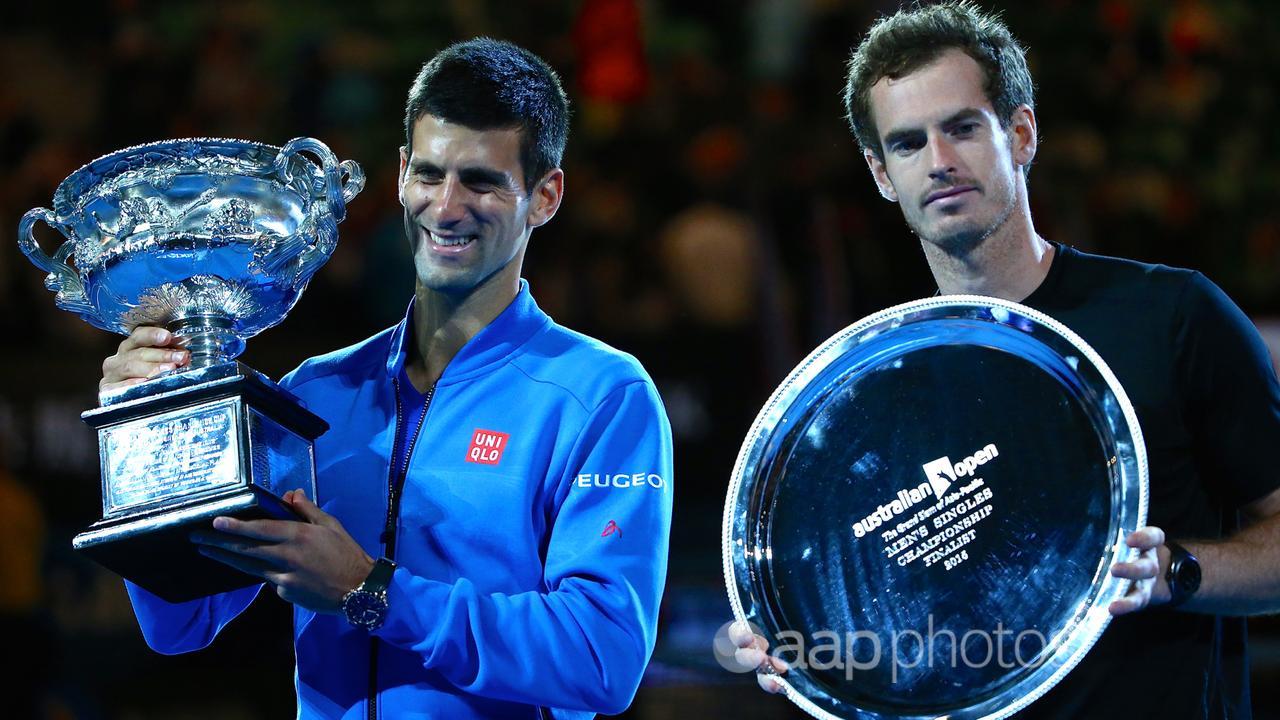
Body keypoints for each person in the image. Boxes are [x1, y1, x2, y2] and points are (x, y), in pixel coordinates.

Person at [729, 2, 1280, 718]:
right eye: (906, 143)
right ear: (880, 174)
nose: (939, 162)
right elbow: (888, 621)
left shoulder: (1171, 314)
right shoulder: (870, 395)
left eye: (961, 128)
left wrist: (1177, 573)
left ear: (1020, 133)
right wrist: (803, 644)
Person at [102, 38, 673, 719]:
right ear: (401, 173)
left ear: (545, 196)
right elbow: (179, 625)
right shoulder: (313, 393)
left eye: (482, 182)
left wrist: (368, 589)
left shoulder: (601, 396)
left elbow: (601, 660)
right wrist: (149, 428)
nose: (447, 206)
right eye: (429, 175)